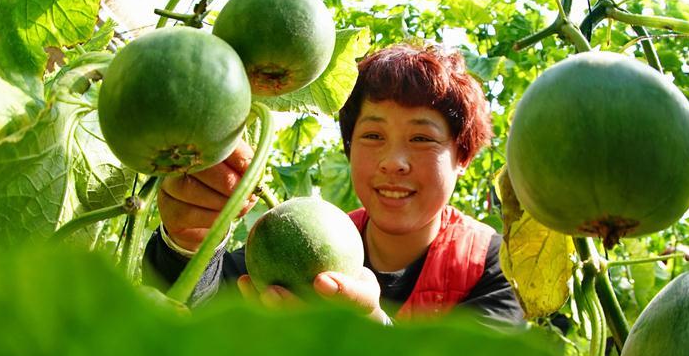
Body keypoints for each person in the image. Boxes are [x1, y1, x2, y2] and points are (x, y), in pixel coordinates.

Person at [144, 43, 523, 327]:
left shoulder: (495, 266)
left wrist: (371, 339)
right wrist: (187, 241)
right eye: (373, 136)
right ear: (349, 148)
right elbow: (202, 303)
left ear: (463, 157)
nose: (393, 161)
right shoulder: (306, 237)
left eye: (422, 139)